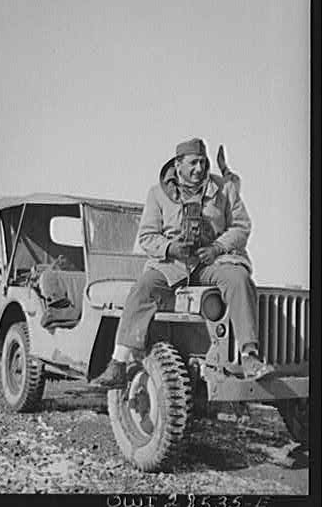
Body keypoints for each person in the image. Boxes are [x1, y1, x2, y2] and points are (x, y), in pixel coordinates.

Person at [92, 138, 273, 389]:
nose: (200, 168)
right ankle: (118, 363)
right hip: (172, 265)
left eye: (203, 162)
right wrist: (169, 248)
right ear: (178, 165)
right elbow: (146, 236)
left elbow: (242, 227)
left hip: (213, 261)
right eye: (193, 163)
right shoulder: (157, 194)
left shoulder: (224, 190)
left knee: (239, 279)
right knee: (142, 289)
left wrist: (217, 247)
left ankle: (250, 356)